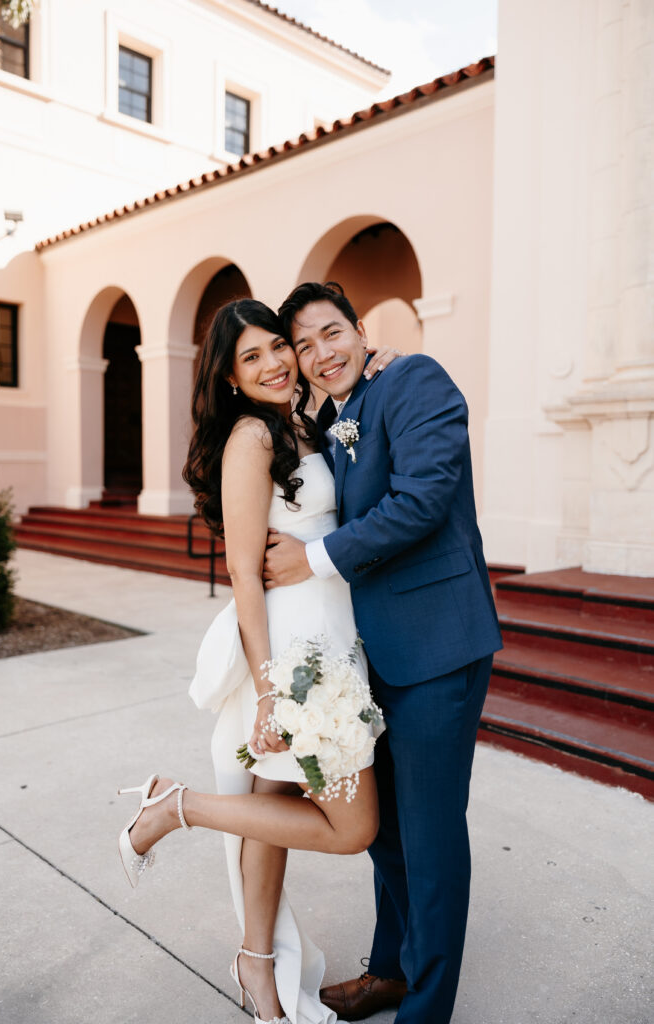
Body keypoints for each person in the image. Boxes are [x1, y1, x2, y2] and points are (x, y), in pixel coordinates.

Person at [116, 298, 400, 1024]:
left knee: (271, 807)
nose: (275, 363)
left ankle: (257, 968)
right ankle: (175, 806)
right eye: (253, 357)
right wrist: (274, 692)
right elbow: (243, 571)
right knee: (352, 827)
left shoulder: (299, 425)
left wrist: (375, 376)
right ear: (231, 377)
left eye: (278, 346)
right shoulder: (249, 436)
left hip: (333, 637)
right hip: (302, 661)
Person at [263, 282, 503, 1024]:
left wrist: (315, 558)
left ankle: (425, 1009)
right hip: (373, 656)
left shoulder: (414, 378)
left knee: (428, 836)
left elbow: (423, 497)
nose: (320, 353)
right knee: (386, 831)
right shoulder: (336, 414)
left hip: (436, 643)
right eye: (303, 345)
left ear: (360, 331)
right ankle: (393, 969)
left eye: (331, 333)